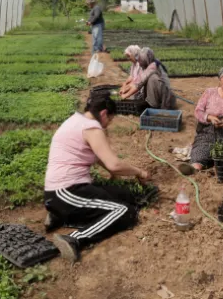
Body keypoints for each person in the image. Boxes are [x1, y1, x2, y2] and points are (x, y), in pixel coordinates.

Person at [43, 94, 150, 262]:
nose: (109, 124)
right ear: (104, 114)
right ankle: (74, 239)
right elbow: (114, 164)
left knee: (121, 196)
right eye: (110, 119)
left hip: (63, 192)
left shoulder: (76, 120)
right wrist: (139, 172)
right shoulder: (92, 128)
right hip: (65, 192)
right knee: (124, 212)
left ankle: (60, 216)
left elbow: (102, 159)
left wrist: (115, 175)